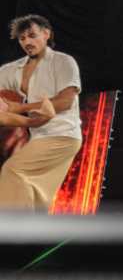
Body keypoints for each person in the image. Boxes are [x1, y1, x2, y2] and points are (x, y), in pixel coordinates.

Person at [0, 15, 83, 211]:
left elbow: (65, 102)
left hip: (63, 135)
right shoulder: (14, 69)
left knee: (14, 171)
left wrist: (20, 108)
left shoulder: (63, 61)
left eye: (32, 35)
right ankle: (31, 228)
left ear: (46, 34)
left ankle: (11, 225)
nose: (27, 42)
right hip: (39, 137)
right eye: (22, 38)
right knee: (35, 193)